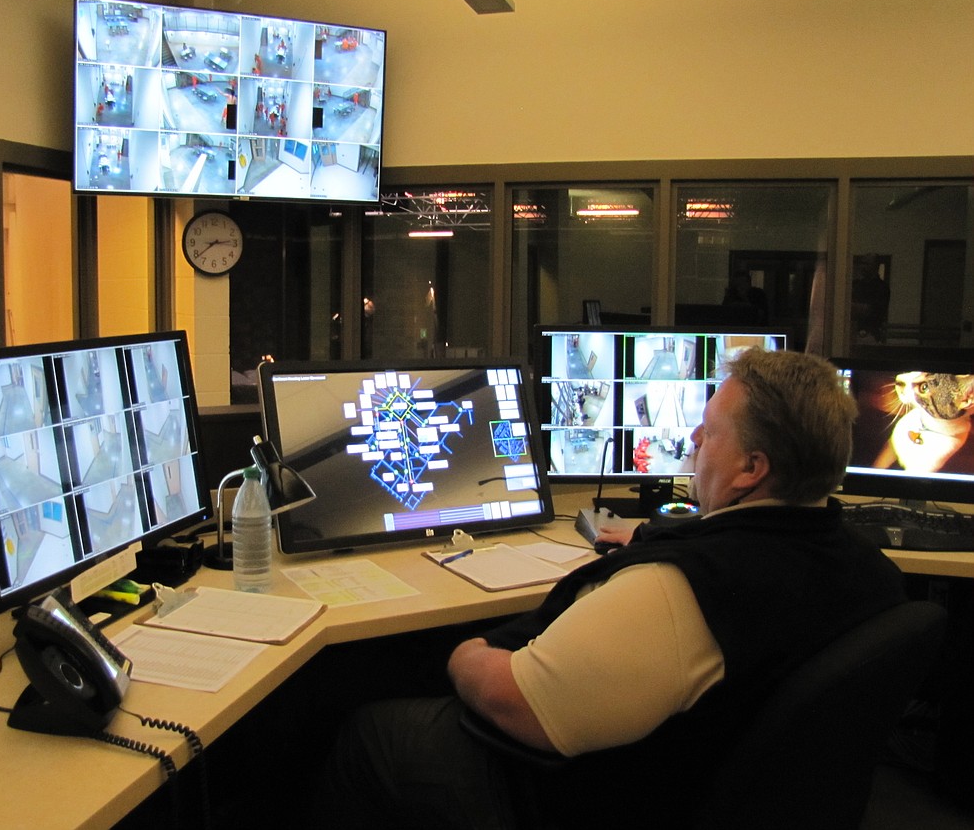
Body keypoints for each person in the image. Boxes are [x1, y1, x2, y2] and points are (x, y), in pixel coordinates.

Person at [313, 349, 907, 829]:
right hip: (733, 786)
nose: (695, 438)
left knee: (370, 731)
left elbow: (521, 707)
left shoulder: (682, 587)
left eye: (712, 430)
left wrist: (466, 654)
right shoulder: (866, 566)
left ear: (751, 470)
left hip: (579, 794)